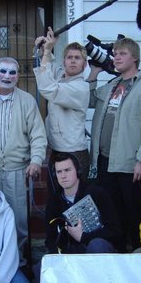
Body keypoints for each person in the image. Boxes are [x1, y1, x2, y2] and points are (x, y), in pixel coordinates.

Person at [87, 37, 141, 251]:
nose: (116, 57)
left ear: (135, 58)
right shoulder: (112, 85)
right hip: (105, 163)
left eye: (122, 54)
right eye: (115, 54)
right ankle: (118, 258)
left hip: (131, 166)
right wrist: (94, 74)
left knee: (135, 216)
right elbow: (89, 99)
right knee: (113, 217)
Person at [0, 57, 47, 266]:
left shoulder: (27, 101)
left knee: (18, 219)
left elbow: (38, 134)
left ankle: (18, 259)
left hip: (18, 170)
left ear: (17, 76)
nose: (7, 76)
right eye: (3, 71)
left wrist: (36, 160)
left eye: (12, 73)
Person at [33, 27, 90, 179]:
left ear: (84, 64)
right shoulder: (61, 77)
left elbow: (48, 88)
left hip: (74, 153)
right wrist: (44, 47)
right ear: (64, 61)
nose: (72, 60)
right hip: (56, 150)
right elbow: (50, 65)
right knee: (57, 198)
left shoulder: (80, 88)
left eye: (77, 58)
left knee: (75, 200)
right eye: (69, 57)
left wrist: (46, 52)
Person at [45, 153, 122, 254]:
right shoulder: (53, 201)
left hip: (99, 250)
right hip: (71, 253)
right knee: (41, 266)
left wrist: (82, 237)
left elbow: (114, 230)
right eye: (59, 172)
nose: (63, 176)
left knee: (96, 245)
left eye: (67, 170)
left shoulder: (97, 193)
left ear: (78, 171)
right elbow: (50, 239)